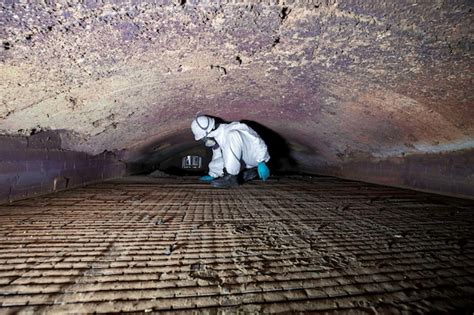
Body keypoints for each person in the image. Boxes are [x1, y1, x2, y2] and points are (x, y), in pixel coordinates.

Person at [191, 115, 271, 188]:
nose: (204, 140)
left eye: (203, 138)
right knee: (214, 164)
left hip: (254, 156)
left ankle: (231, 177)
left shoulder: (232, 129)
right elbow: (218, 156)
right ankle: (246, 174)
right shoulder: (217, 137)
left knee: (232, 135)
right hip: (243, 162)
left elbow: (256, 140)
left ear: (208, 133)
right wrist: (213, 174)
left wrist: (261, 160)